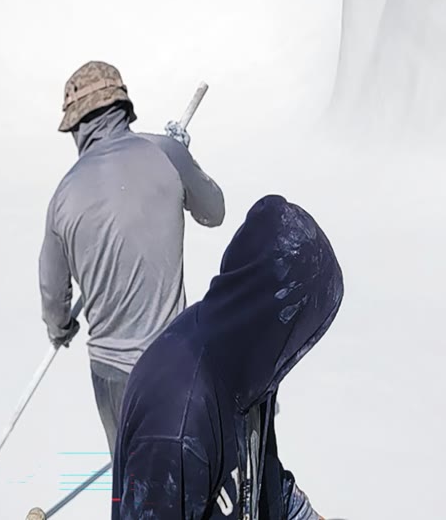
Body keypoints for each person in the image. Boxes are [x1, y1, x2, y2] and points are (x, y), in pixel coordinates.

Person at [112, 194, 341, 520]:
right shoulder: (176, 426)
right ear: (275, 313)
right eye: (299, 326)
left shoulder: (250, 356)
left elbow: (264, 479)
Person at [39, 61, 225, 457]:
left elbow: (53, 295)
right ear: (124, 110)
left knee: (132, 483)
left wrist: (61, 327)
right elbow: (214, 211)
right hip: (174, 362)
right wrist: (182, 162)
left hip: (110, 377)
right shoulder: (164, 152)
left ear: (77, 127)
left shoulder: (62, 198)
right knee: (186, 480)